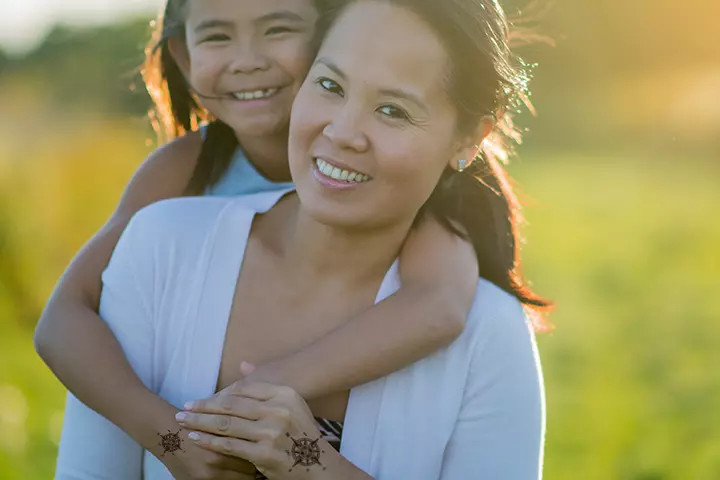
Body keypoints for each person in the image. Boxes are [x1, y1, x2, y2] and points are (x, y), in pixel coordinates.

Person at [55, 0, 551, 478]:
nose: (342, 132)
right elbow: (62, 329)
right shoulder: (161, 243)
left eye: (393, 111)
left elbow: (441, 305)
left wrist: (310, 465)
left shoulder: (485, 331)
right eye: (331, 84)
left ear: (469, 138)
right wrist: (171, 438)